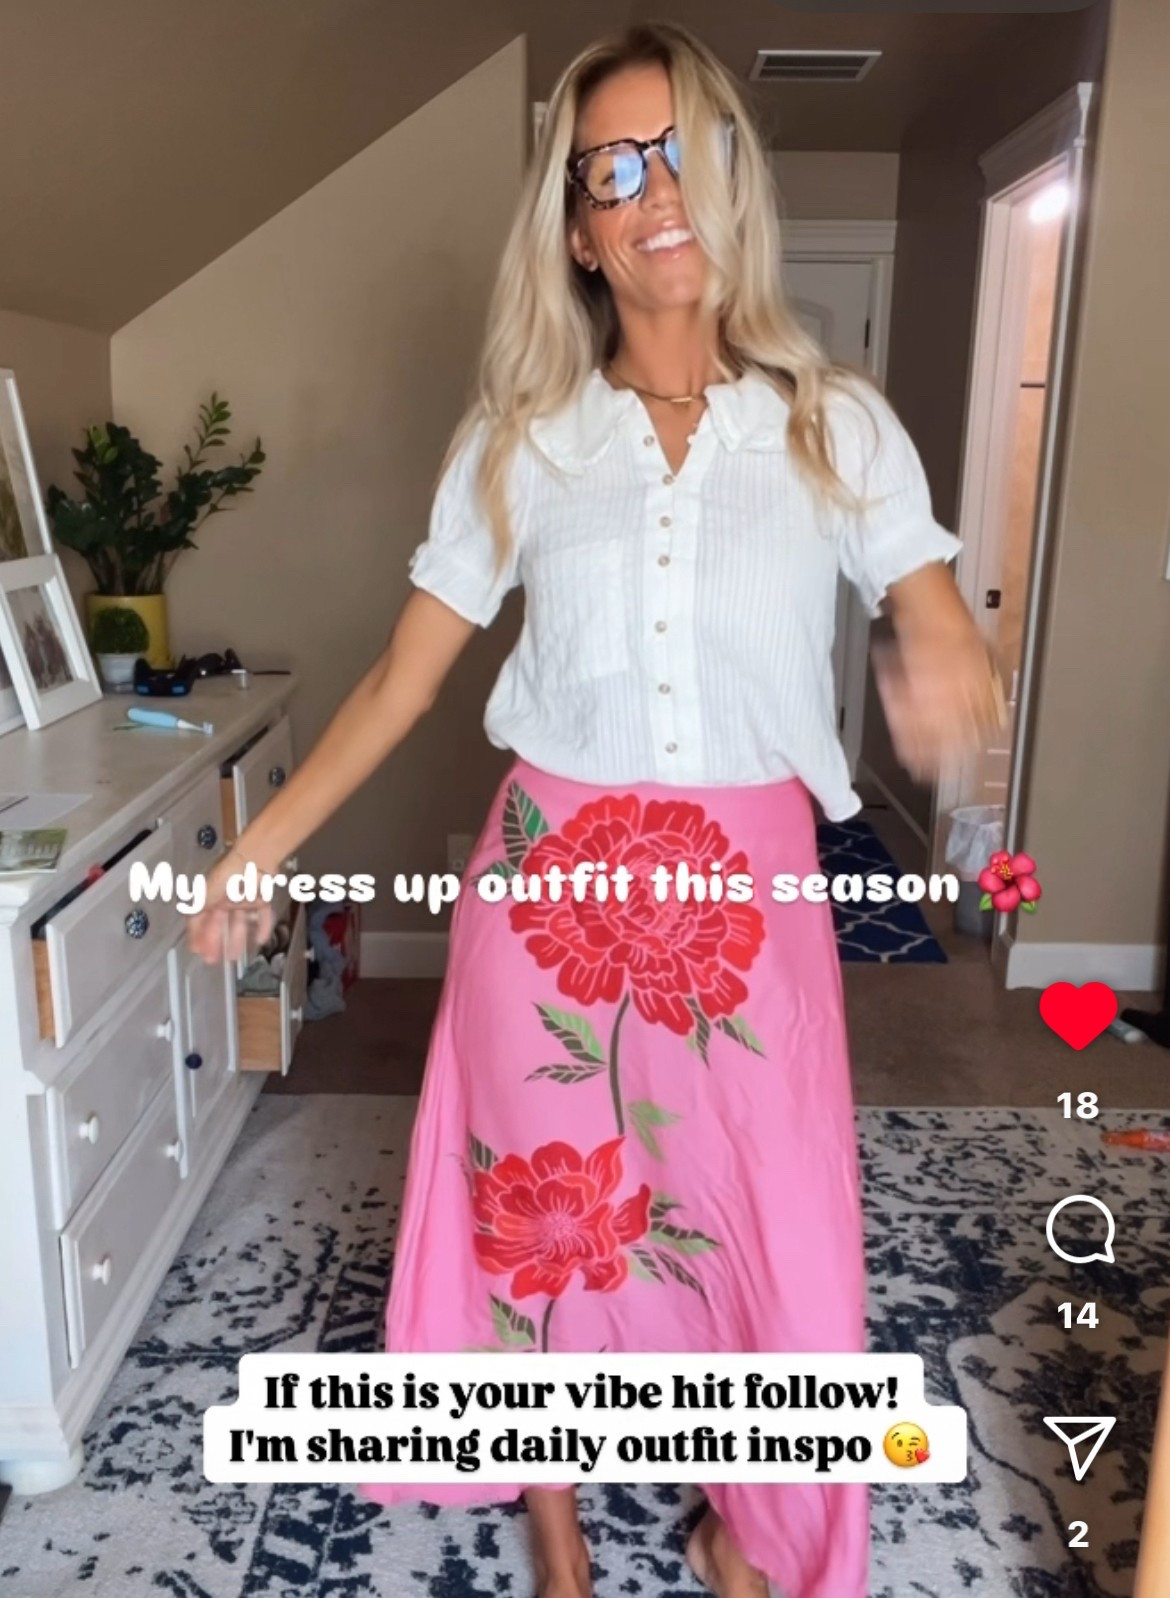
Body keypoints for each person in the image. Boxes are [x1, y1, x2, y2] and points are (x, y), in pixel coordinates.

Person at [189, 21, 1002, 1598]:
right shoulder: (521, 442)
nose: (654, 190)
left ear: (731, 177)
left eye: (680, 148)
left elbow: (925, 595)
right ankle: (554, 1529)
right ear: (578, 231)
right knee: (542, 1220)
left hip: (749, 904)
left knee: (761, 1221)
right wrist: (255, 849)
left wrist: (944, 651)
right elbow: (401, 678)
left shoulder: (833, 421)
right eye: (610, 170)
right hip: (547, 895)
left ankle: (746, 1513)